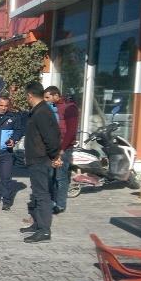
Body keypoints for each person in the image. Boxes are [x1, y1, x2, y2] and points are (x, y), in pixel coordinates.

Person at [21, 82, 61, 243]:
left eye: (26, 96)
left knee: (42, 195)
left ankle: (44, 230)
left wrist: (54, 156)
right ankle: (38, 224)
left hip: (41, 159)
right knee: (37, 193)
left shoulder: (42, 112)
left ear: (30, 95)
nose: (26, 98)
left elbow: (52, 138)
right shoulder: (38, 110)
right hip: (36, 159)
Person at [44, 86, 79, 214]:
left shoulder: (70, 108)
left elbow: (71, 131)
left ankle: (60, 205)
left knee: (60, 177)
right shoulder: (52, 107)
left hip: (63, 148)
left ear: (56, 95)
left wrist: (62, 149)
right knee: (50, 176)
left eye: (48, 97)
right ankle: (52, 201)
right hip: (51, 147)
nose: (46, 100)